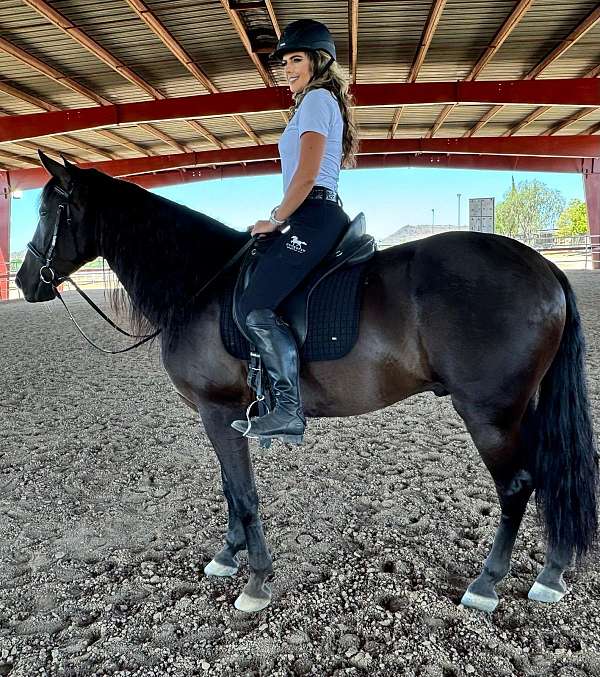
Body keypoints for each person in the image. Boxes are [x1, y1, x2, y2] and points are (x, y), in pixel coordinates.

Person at [231, 19, 359, 444]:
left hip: (312, 214)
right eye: (285, 62)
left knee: (253, 304)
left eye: (296, 60)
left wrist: (276, 217)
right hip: (312, 213)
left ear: (319, 62)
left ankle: (287, 408)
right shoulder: (314, 103)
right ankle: (269, 398)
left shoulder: (317, 100)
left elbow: (305, 176)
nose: (288, 69)